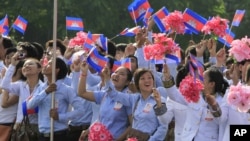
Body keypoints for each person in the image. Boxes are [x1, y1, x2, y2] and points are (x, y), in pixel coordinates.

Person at [104, 68, 183, 141]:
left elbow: (163, 127)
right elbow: (114, 94)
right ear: (137, 83)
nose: (147, 81)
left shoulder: (160, 100)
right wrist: (107, 79)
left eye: (149, 78)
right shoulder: (135, 99)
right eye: (142, 78)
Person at [154, 64, 229, 141]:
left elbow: (221, 120)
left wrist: (214, 106)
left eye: (203, 78)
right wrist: (167, 77)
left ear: (211, 84)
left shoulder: (222, 100)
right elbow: (175, 96)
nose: (198, 79)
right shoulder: (194, 94)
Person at [27, 57, 83, 141]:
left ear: (57, 69)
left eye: (49, 64)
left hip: (59, 135)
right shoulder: (40, 88)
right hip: (43, 135)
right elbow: (30, 105)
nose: (45, 66)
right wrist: (46, 92)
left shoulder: (66, 89)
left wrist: (60, 117)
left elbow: (80, 111)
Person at [78, 61, 133, 141]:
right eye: (115, 72)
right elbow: (82, 93)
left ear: (127, 82)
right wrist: (84, 72)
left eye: (121, 74)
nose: (116, 75)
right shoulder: (105, 94)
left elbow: (132, 125)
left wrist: (118, 140)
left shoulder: (128, 98)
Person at [1, 56, 44, 141]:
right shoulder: (20, 85)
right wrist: (12, 65)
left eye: (30, 64)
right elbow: (4, 86)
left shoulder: (44, 87)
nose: (26, 66)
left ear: (39, 69)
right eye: (24, 65)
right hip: (21, 126)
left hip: (38, 125)